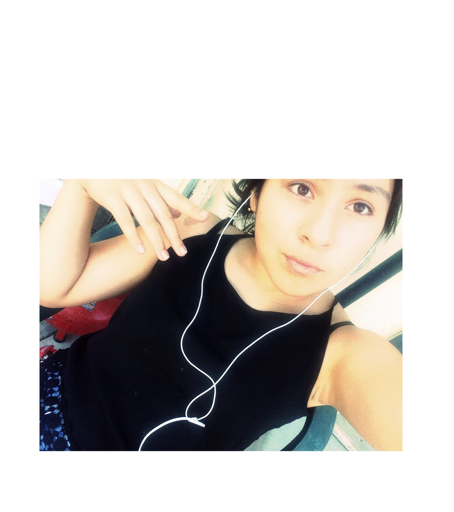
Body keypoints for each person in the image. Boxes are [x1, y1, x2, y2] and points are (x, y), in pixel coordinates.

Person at [39, 179, 403, 451]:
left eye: (361, 207)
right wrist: (82, 186)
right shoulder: (190, 231)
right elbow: (54, 289)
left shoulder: (345, 356)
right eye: (301, 188)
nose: (319, 234)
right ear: (257, 194)